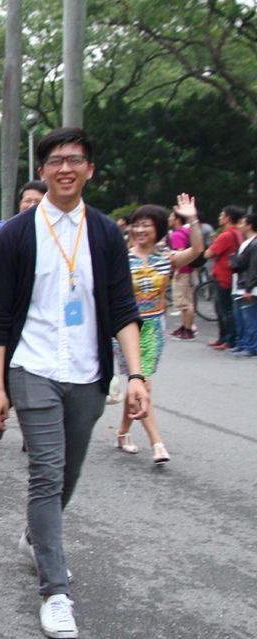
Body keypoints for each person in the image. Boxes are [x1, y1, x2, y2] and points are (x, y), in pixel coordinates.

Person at [0, 126, 149, 639]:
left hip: (87, 373)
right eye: (55, 160)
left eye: (75, 159)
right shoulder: (16, 233)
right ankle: (55, 592)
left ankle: (37, 535)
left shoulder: (103, 233)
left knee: (67, 475)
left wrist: (136, 373)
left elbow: (122, 306)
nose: (65, 168)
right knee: (46, 475)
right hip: (32, 368)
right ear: (42, 170)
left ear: (90, 169)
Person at [113, 197, 203, 464]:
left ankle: (122, 431)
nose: (140, 230)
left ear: (159, 230)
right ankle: (157, 443)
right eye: (136, 225)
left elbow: (197, 250)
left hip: (153, 328)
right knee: (142, 383)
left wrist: (192, 219)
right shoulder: (120, 258)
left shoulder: (166, 258)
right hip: (125, 327)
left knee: (137, 384)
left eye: (147, 226)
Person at [204, 205, 245, 350]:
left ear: (227, 218)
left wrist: (212, 246)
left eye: (222, 215)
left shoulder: (226, 235)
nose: (219, 217)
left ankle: (228, 339)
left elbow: (208, 254)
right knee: (224, 308)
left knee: (224, 309)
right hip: (230, 274)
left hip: (223, 275)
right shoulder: (238, 232)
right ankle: (224, 338)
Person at [167, 209, 199, 340]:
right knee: (188, 300)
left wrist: (177, 271)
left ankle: (188, 329)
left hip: (183, 272)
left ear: (177, 220)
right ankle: (185, 326)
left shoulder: (177, 234)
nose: (169, 219)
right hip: (190, 270)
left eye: (171, 216)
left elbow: (180, 254)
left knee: (184, 303)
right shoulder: (187, 232)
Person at [230, 213, 257, 357]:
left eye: (242, 223)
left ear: (249, 225)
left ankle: (252, 346)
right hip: (241, 284)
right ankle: (244, 343)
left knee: (250, 318)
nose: (239, 225)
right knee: (242, 317)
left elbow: (254, 267)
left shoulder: (254, 243)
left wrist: (249, 288)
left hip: (248, 287)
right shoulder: (247, 242)